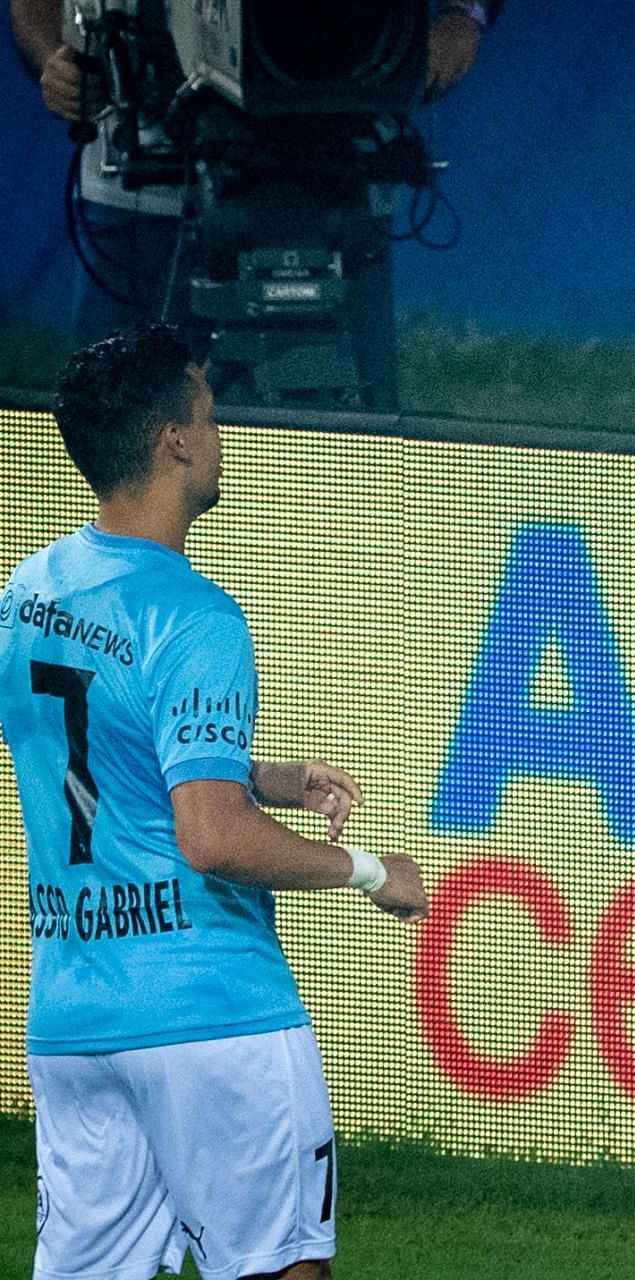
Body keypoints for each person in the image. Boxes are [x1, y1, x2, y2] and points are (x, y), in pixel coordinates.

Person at [0, 325, 429, 1280]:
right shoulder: (192, 613)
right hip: (210, 1015)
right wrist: (367, 872)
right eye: (207, 411)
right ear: (174, 442)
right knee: (284, 1268)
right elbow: (209, 836)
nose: (220, 430)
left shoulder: (28, 593)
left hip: (73, 1018)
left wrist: (249, 771)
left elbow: (86, 754)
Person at [10, 0, 505, 406]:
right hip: (150, 193)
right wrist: (61, 63)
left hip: (341, 184)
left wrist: (465, 16)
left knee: (351, 453)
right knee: (119, 436)